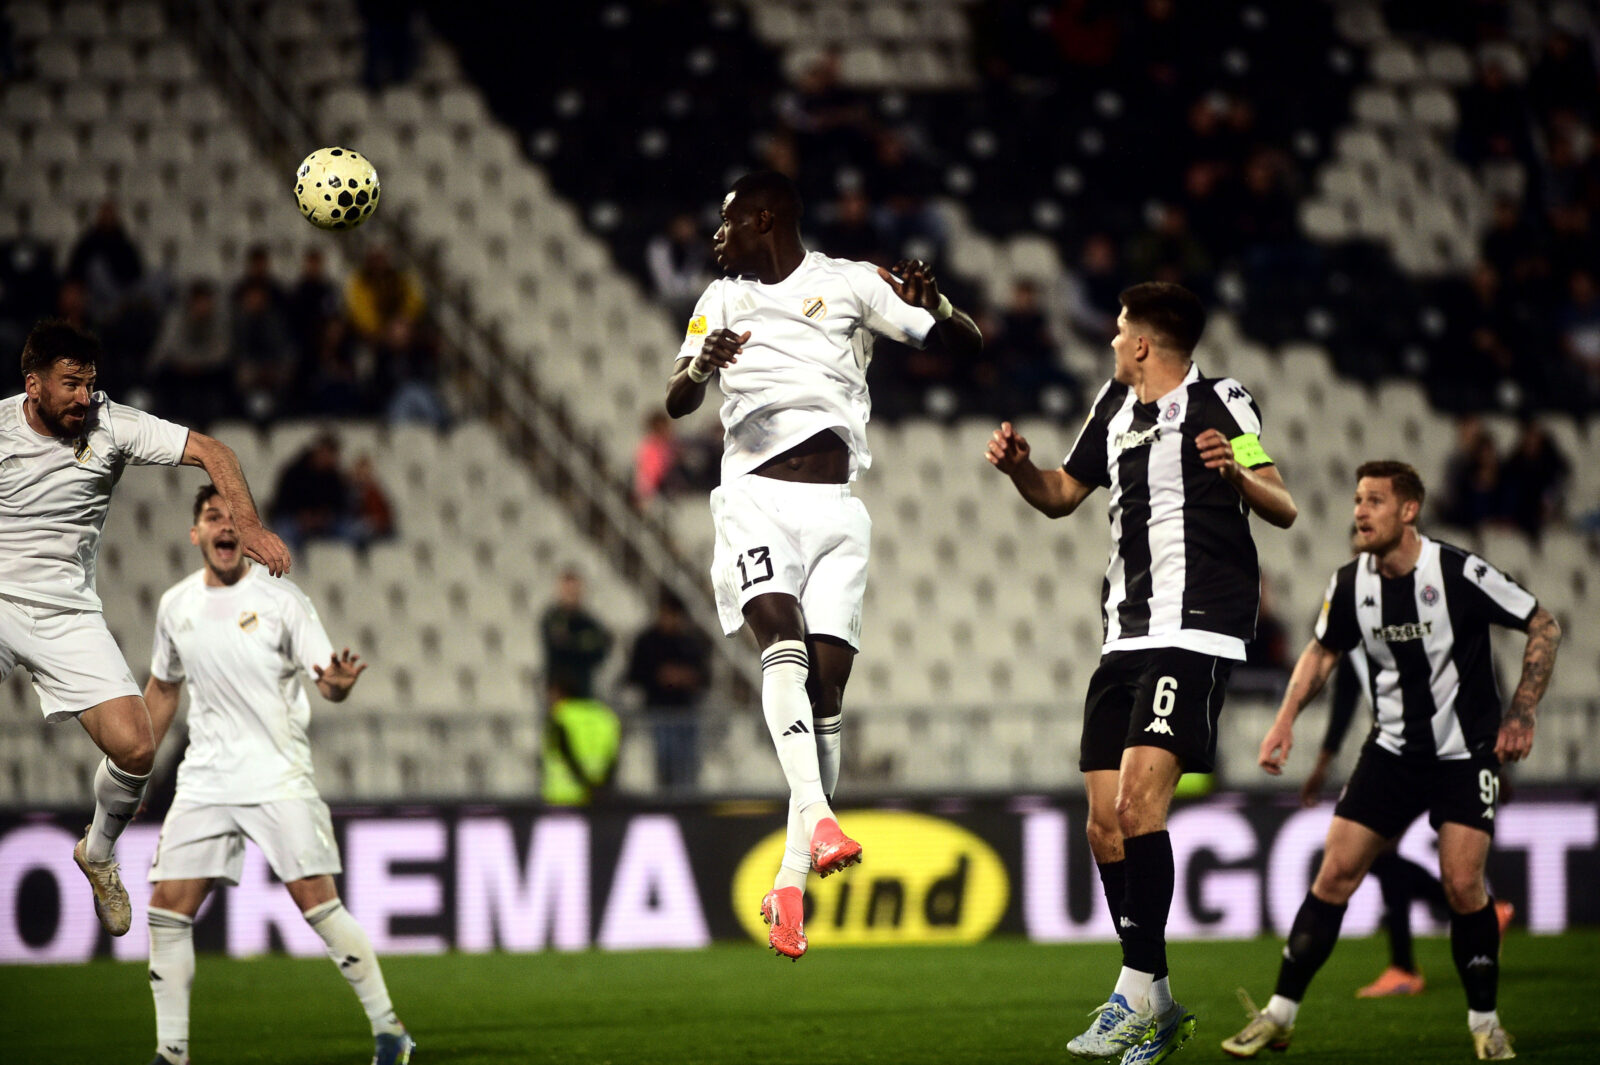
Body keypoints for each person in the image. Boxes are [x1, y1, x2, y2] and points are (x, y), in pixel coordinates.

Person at [666, 170, 982, 959]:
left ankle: (789, 882)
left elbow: (964, 345)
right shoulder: (721, 298)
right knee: (783, 639)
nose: (718, 235)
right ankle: (822, 815)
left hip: (838, 507)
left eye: (728, 220)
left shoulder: (846, 284)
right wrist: (703, 363)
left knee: (829, 687)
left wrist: (937, 303)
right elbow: (676, 398)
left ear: (764, 218)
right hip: (755, 497)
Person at [986, 281, 1297, 1063]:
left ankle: (1132, 991)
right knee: (1102, 821)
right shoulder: (1115, 408)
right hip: (1122, 635)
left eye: (1120, 328)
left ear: (1144, 343)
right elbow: (1061, 495)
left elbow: (1283, 503)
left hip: (1193, 631)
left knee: (1136, 805)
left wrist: (1234, 474)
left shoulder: (1222, 399)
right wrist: (1022, 470)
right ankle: (1156, 998)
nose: (1112, 338)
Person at [1221, 461, 1561, 1062]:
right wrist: (1284, 721)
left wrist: (1521, 713)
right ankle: (1279, 1015)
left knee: (1461, 884)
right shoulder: (1351, 584)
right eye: (1357, 500)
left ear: (1408, 511)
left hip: (1464, 752)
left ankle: (1485, 1024)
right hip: (1393, 751)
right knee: (1334, 875)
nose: (1359, 511)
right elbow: (1322, 653)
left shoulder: (1457, 571)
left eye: (1375, 500)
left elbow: (1543, 624)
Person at [0, 320, 291, 940]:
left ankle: (98, 852)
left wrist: (252, 526)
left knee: (136, 748)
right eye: (71, 383)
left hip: (66, 612)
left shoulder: (114, 424)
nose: (84, 396)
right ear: (33, 384)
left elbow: (216, 452)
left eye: (90, 383)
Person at [141, 485, 413, 1065]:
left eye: (235, 517)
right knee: (167, 908)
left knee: (319, 906)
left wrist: (339, 682)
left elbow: (327, 681)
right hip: (206, 778)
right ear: (195, 533)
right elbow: (163, 688)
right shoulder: (176, 606)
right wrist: (132, 768)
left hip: (276, 772)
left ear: (249, 530)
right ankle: (171, 1052)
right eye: (213, 517)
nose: (224, 526)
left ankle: (390, 1029)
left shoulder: (284, 601)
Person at [624, 591, 711, 791]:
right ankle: (666, 799)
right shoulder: (647, 641)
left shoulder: (690, 642)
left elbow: (705, 677)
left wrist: (686, 677)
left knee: (687, 764)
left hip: (686, 712)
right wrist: (660, 677)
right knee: (664, 760)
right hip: (659, 712)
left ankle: (686, 802)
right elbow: (635, 675)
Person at [539, 677, 621, 806]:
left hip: (563, 796)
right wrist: (598, 785)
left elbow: (566, 753)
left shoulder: (560, 717)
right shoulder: (604, 716)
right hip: (598, 796)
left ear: (561, 693)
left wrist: (583, 781)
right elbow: (612, 755)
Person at [539, 568, 612, 700]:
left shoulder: (590, 622)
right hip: (559, 691)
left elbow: (601, 651)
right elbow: (558, 649)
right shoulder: (552, 618)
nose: (571, 594)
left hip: (584, 688)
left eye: (575, 590)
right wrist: (583, 644)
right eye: (568, 590)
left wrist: (572, 643)